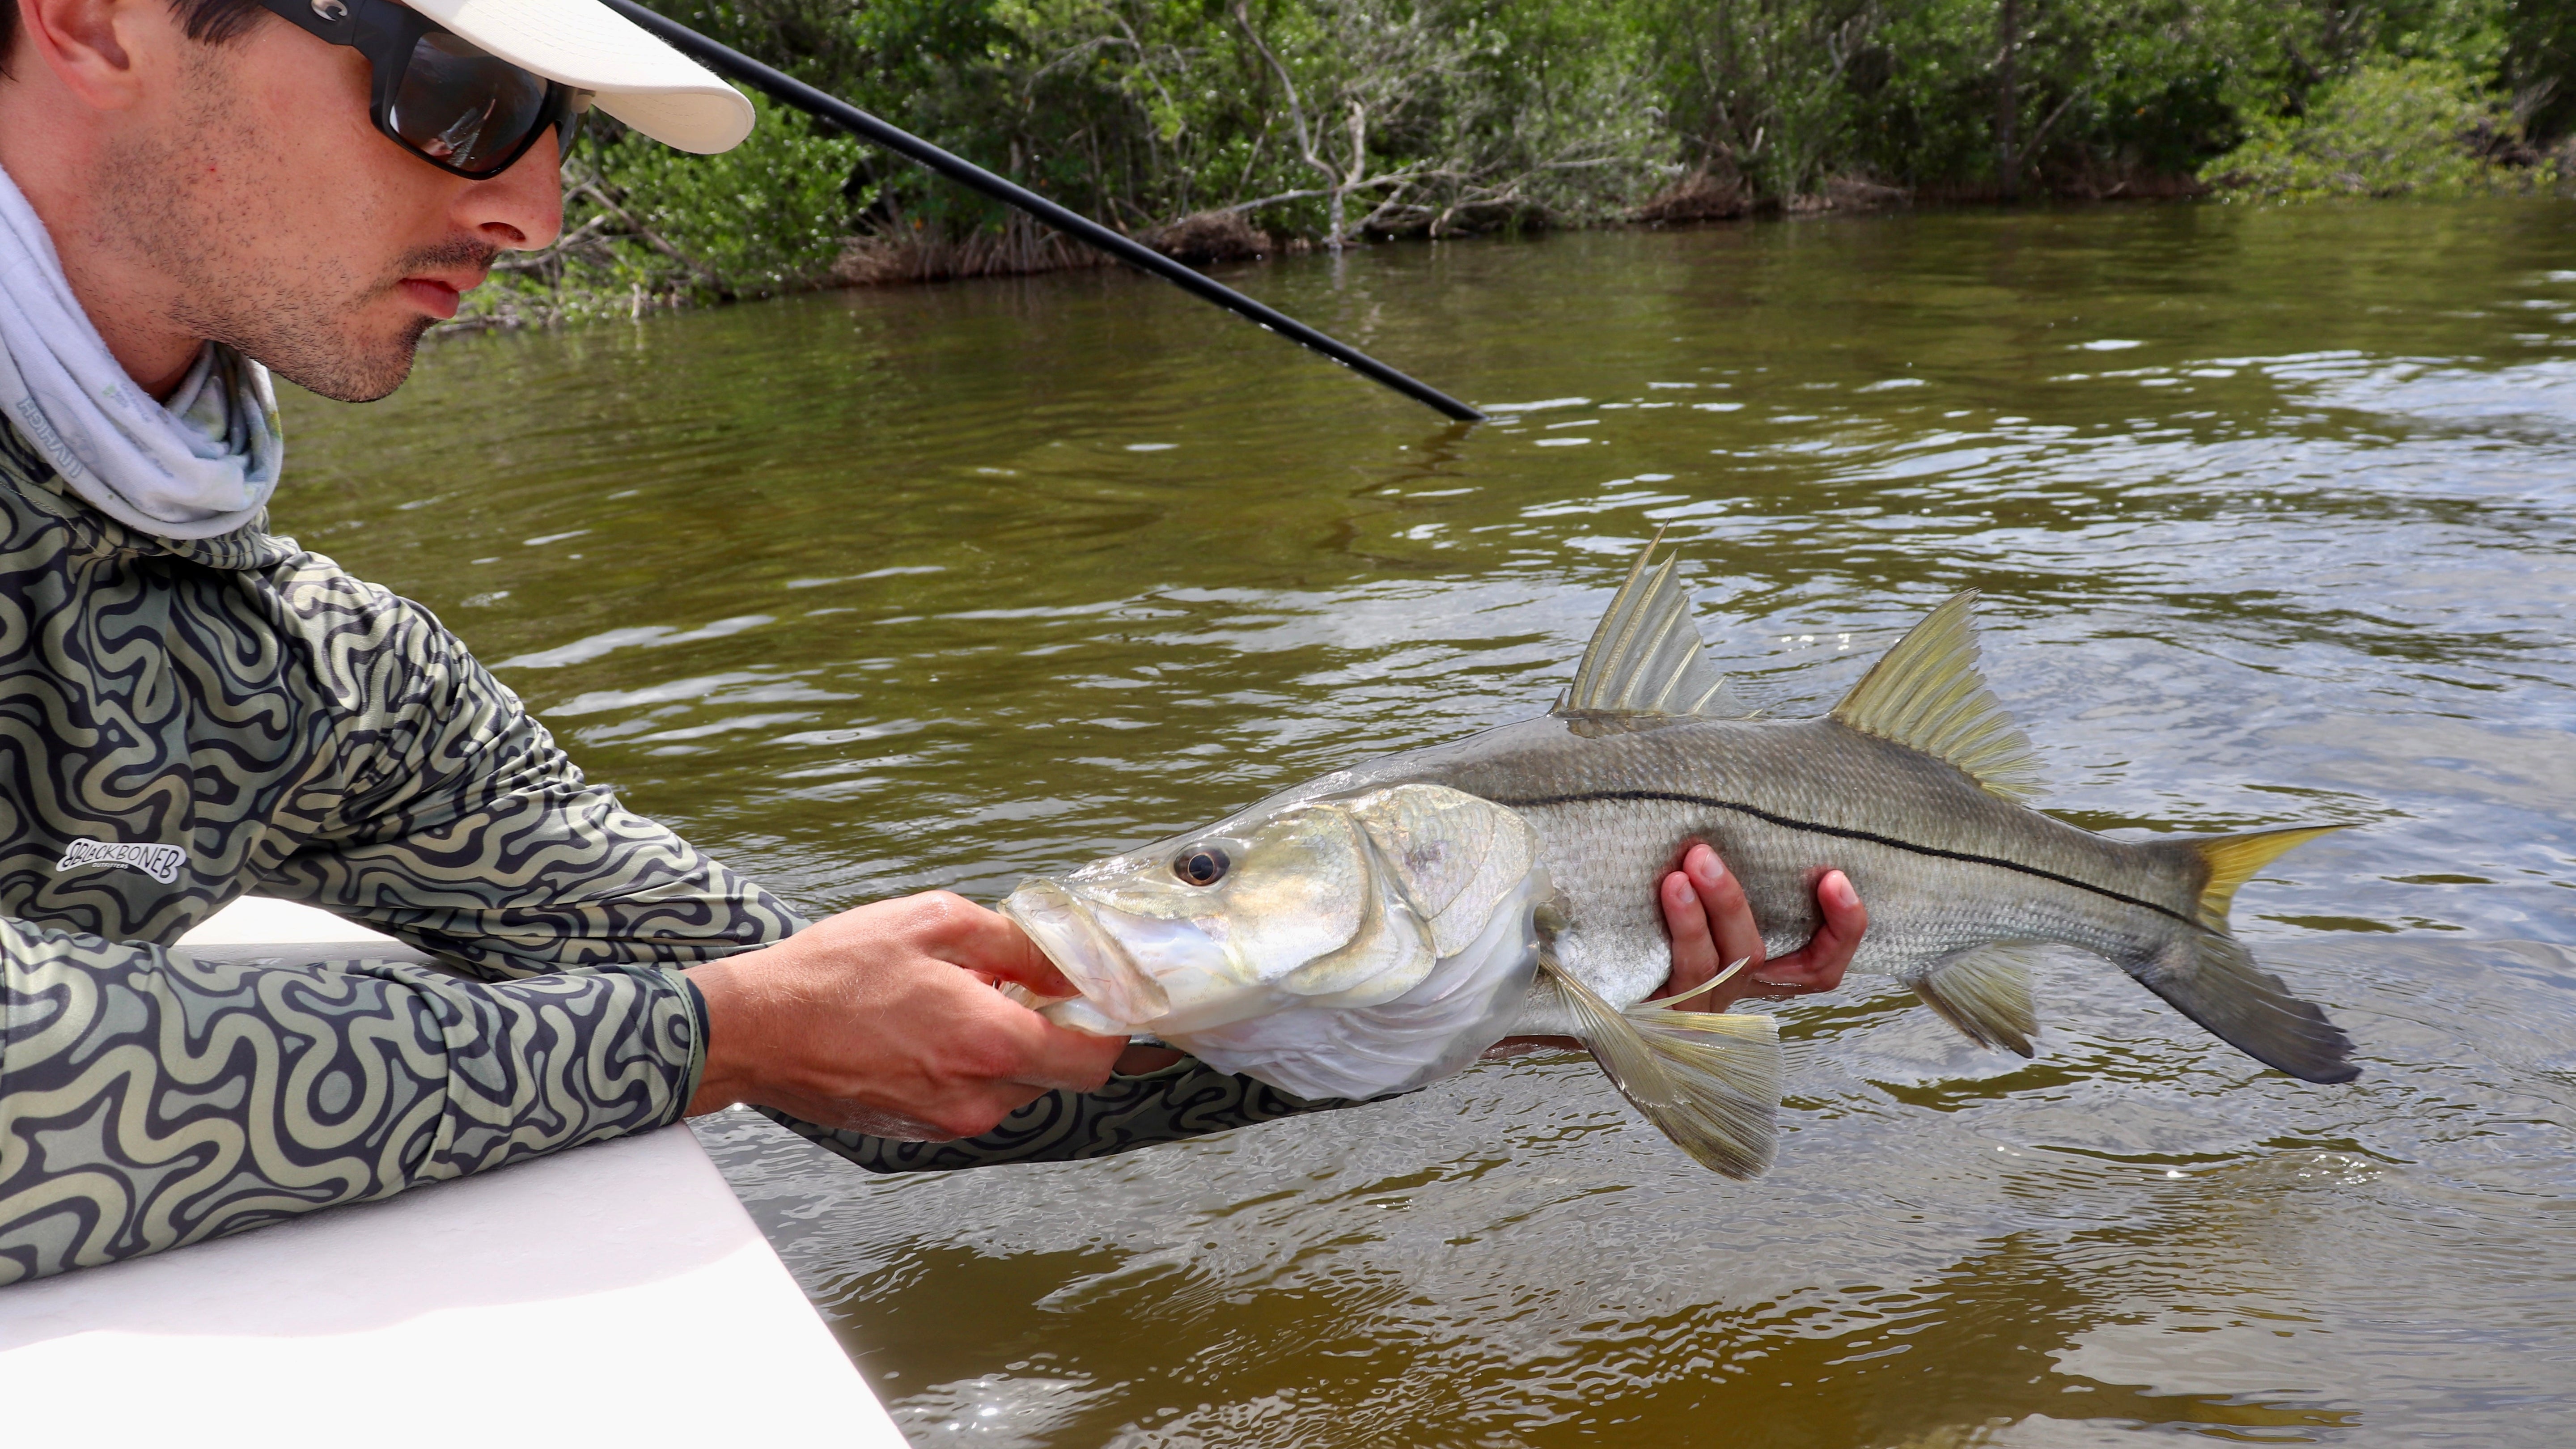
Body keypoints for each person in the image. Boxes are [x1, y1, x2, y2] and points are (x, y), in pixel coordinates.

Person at [0, 0, 1868, 1285]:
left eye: (556, 127)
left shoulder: (315, 675)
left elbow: (881, 1066)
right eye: (465, 95)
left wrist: (1473, 991)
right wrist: (713, 1036)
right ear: (94, 19)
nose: (541, 209)